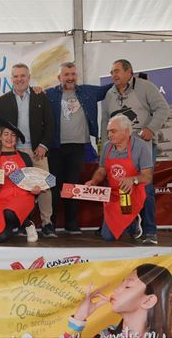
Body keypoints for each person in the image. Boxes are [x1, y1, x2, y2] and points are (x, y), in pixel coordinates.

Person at [101, 59, 169, 244]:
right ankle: (131, 223)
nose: (113, 75)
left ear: (129, 71)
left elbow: (162, 108)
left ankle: (150, 232)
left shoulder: (145, 87)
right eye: (111, 72)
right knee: (119, 186)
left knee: (144, 187)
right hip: (118, 148)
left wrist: (151, 128)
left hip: (143, 146)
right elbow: (105, 121)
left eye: (117, 71)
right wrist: (105, 147)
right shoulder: (109, 94)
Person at [45, 62, 113, 235]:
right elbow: (31, 98)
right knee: (53, 186)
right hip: (55, 147)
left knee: (72, 186)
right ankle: (50, 224)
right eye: (66, 74)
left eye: (73, 74)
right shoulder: (50, 94)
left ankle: (71, 223)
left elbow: (109, 87)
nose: (70, 77)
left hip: (78, 147)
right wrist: (37, 90)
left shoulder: (88, 92)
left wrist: (133, 77)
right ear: (59, 77)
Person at [0, 63, 55, 238]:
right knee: (18, 189)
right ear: (11, 79)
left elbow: (50, 124)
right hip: (14, 152)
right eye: (16, 76)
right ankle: (22, 223)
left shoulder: (40, 96)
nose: (19, 79)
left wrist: (43, 146)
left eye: (22, 76)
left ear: (29, 77)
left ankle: (47, 223)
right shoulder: (3, 100)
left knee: (45, 186)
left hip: (37, 151)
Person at [85, 115, 152, 241]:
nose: (109, 135)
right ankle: (132, 223)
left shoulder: (141, 146)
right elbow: (102, 170)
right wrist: (94, 181)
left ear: (126, 131)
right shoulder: (106, 146)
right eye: (108, 131)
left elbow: (147, 177)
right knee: (107, 237)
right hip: (114, 195)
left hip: (132, 192)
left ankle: (135, 221)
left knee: (147, 190)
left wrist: (132, 180)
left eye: (113, 131)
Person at [69, 263, 172, 338]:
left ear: (148, 301)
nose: (116, 290)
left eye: (128, 286)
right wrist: (79, 318)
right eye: (122, 283)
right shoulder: (106, 335)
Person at [0, 118, 41, 243]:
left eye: (13, 135)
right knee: (0, 238)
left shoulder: (25, 157)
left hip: (23, 196)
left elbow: (33, 180)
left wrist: (36, 189)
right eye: (6, 134)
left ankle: (26, 222)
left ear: (16, 139)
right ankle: (21, 225)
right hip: (1, 199)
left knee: (9, 213)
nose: (9, 138)